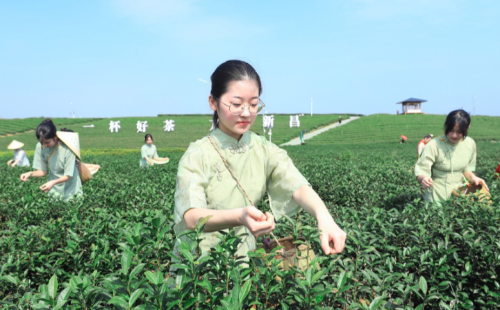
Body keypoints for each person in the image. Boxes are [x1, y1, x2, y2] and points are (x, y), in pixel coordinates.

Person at [173, 60, 346, 263]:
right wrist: (240, 216)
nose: (247, 113)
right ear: (213, 102)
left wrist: (323, 217)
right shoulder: (198, 154)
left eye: (254, 104)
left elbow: (295, 184)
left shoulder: (263, 148)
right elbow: (191, 217)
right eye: (236, 104)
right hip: (198, 268)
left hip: (243, 264)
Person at [415, 109, 489, 202]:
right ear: (446, 126)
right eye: (451, 130)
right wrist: (424, 178)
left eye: (459, 132)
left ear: (467, 128)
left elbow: (467, 170)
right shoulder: (434, 145)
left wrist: (474, 178)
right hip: (437, 195)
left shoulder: (470, 144)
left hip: (460, 195)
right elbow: (421, 171)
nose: (454, 135)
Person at [19, 119, 83, 201]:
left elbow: (68, 175)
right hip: (53, 190)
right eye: (42, 143)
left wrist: (52, 182)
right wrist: (30, 173)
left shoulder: (67, 147)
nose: (44, 145)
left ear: (55, 137)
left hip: (71, 189)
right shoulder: (40, 147)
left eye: (47, 142)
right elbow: (43, 171)